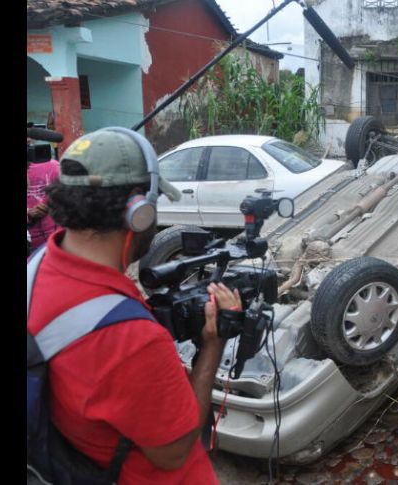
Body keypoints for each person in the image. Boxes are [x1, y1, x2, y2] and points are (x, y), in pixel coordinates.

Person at [27, 128, 240, 484]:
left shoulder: (38, 267)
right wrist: (213, 345)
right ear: (137, 211)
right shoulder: (131, 340)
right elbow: (176, 451)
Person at [27, 140, 60, 253]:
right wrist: (29, 213)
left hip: (53, 242)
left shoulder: (53, 166)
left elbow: (69, 199)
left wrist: (52, 206)